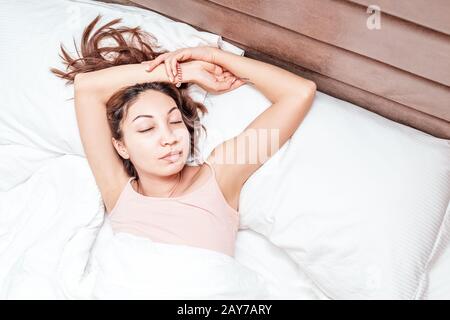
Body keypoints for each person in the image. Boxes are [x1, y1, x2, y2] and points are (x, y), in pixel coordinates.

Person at [51, 15, 316, 258]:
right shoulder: (118, 191)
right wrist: (183, 72)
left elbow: (299, 93)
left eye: (174, 121)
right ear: (121, 147)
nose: (168, 138)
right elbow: (87, 88)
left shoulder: (222, 175)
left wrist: (213, 57)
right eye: (146, 128)